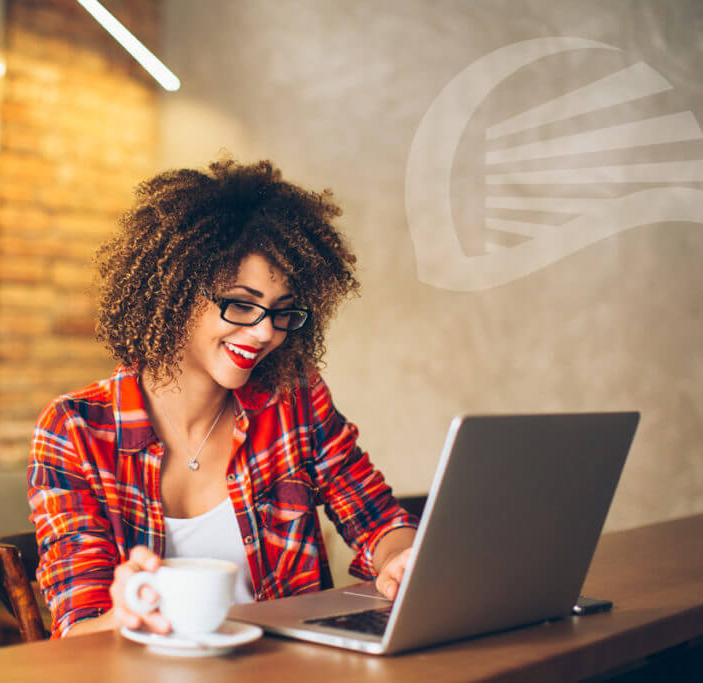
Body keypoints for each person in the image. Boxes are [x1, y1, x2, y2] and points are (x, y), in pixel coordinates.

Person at [28, 158, 417, 639]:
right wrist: (127, 614)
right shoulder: (76, 430)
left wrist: (401, 558)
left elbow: (378, 521)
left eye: (281, 312)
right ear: (174, 290)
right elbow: (78, 631)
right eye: (241, 303)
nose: (263, 333)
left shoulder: (294, 399)